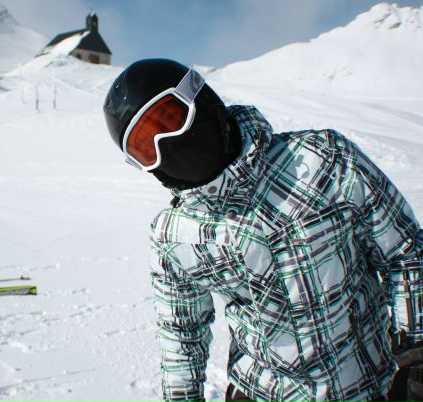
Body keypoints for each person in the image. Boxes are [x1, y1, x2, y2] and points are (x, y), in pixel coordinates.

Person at [102, 59, 423, 402]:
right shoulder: (175, 235)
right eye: (144, 148)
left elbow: (404, 253)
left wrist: (415, 356)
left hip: (362, 387)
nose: (165, 144)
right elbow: (181, 333)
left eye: (169, 119)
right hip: (258, 392)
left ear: (202, 100)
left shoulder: (322, 160)